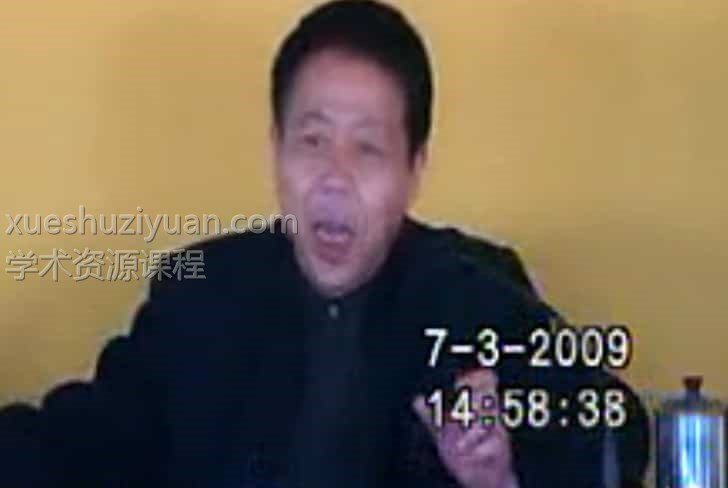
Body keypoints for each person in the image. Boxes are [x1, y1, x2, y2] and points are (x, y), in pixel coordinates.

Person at [0, 1, 649, 487]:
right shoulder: (201, 293)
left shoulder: (476, 301)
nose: (334, 176)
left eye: (367, 148)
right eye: (311, 140)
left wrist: (503, 472)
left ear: (414, 169)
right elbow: (82, 443)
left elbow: (619, 431)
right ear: (276, 149)